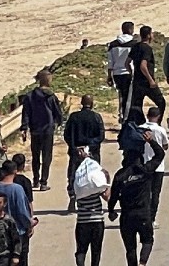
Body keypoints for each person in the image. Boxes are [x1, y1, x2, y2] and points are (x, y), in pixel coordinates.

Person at [107, 127, 163, 266]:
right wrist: (151, 141)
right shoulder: (145, 170)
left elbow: (113, 196)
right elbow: (160, 154)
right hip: (144, 213)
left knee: (130, 249)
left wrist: (111, 211)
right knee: (148, 241)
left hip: (126, 216)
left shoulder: (120, 175)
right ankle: (143, 263)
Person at [18, 71, 63, 192]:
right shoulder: (51, 96)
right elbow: (57, 113)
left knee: (35, 156)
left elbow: (26, 113)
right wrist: (59, 122)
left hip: (35, 130)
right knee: (47, 157)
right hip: (48, 130)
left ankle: (36, 180)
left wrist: (24, 128)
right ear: (47, 80)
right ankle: (44, 182)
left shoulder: (30, 96)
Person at [72, 146, 108, 266]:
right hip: (97, 220)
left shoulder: (77, 182)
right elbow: (107, 197)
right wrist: (106, 179)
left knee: (81, 250)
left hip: (82, 221)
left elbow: (74, 196)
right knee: (96, 251)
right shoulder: (96, 185)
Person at [65, 93, 105, 165]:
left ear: (81, 103)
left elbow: (67, 135)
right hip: (92, 154)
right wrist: (89, 147)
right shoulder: (96, 117)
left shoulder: (74, 117)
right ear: (92, 104)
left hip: (76, 154)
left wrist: (75, 148)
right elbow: (101, 136)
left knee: (74, 174)